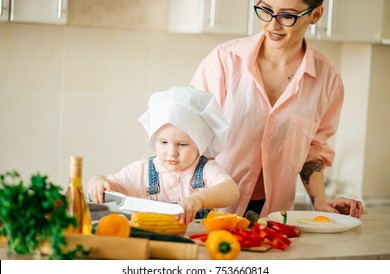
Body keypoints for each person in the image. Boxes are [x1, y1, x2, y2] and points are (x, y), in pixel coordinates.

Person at [190, 0, 363, 218]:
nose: (273, 25)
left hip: (274, 215)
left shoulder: (327, 79)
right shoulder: (223, 62)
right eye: (266, 10)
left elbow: (314, 150)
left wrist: (319, 201)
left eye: (287, 16)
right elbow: (189, 137)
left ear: (316, 15)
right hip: (209, 207)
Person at [87, 85, 240, 224]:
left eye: (182, 144)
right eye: (163, 142)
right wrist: (97, 181)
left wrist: (198, 200)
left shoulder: (207, 170)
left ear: (199, 145)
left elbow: (232, 192)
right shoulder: (142, 170)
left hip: (198, 244)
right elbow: (110, 184)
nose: (172, 152)